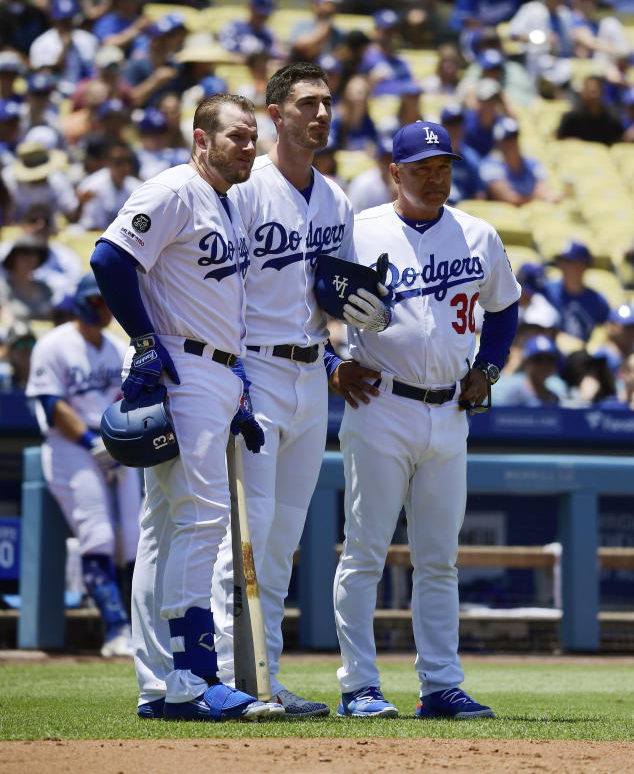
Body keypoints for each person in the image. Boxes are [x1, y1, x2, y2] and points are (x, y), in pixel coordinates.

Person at [90, 93, 285, 722]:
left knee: (168, 529)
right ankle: (193, 677)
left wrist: (239, 389)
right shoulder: (175, 189)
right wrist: (144, 343)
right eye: (236, 136)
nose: (248, 147)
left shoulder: (223, 203)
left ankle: (161, 683)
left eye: (253, 136)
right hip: (182, 365)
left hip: (214, 371)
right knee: (200, 523)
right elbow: (109, 257)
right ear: (200, 139)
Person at [211, 62, 389, 716]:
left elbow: (334, 295)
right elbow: (219, 286)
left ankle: (268, 677)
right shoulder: (247, 189)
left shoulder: (336, 200)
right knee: (249, 531)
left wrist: (364, 319)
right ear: (275, 111)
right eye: (307, 102)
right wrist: (226, 372)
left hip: (313, 372)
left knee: (284, 535)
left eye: (328, 103)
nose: (321, 113)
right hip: (253, 366)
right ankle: (231, 679)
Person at [332, 120, 521, 717]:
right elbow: (308, 308)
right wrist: (333, 364)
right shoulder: (358, 233)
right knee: (364, 553)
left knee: (439, 559)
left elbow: (505, 309)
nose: (435, 177)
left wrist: (487, 371)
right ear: (395, 172)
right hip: (380, 404)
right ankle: (359, 684)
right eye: (421, 168)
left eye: (442, 167)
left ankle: (440, 684)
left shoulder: (477, 234)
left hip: (449, 411)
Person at [25, 272, 142, 657]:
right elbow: (51, 404)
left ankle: (138, 628)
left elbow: (130, 398)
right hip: (71, 445)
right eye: (95, 301)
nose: (103, 308)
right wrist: (92, 444)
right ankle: (116, 629)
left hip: (116, 440)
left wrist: (116, 444)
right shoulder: (53, 344)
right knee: (98, 535)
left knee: (135, 537)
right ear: (79, 303)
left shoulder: (116, 346)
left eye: (106, 300)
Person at [479, 116, 560, 205]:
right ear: (498, 143)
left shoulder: (533, 163)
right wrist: (537, 199)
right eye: (507, 139)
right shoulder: (490, 165)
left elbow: (543, 189)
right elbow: (508, 198)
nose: (512, 143)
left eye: (514, 137)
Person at [542, 240, 609, 344]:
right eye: (561, 261)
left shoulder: (597, 300)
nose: (563, 265)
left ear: (584, 266)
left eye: (569, 262)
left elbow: (608, 329)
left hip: (584, 356)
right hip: (551, 353)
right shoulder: (547, 291)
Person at [76, 139, 141, 230]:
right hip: (91, 235)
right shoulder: (92, 185)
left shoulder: (137, 187)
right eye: (118, 162)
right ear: (108, 162)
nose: (124, 167)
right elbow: (91, 224)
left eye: (127, 162)